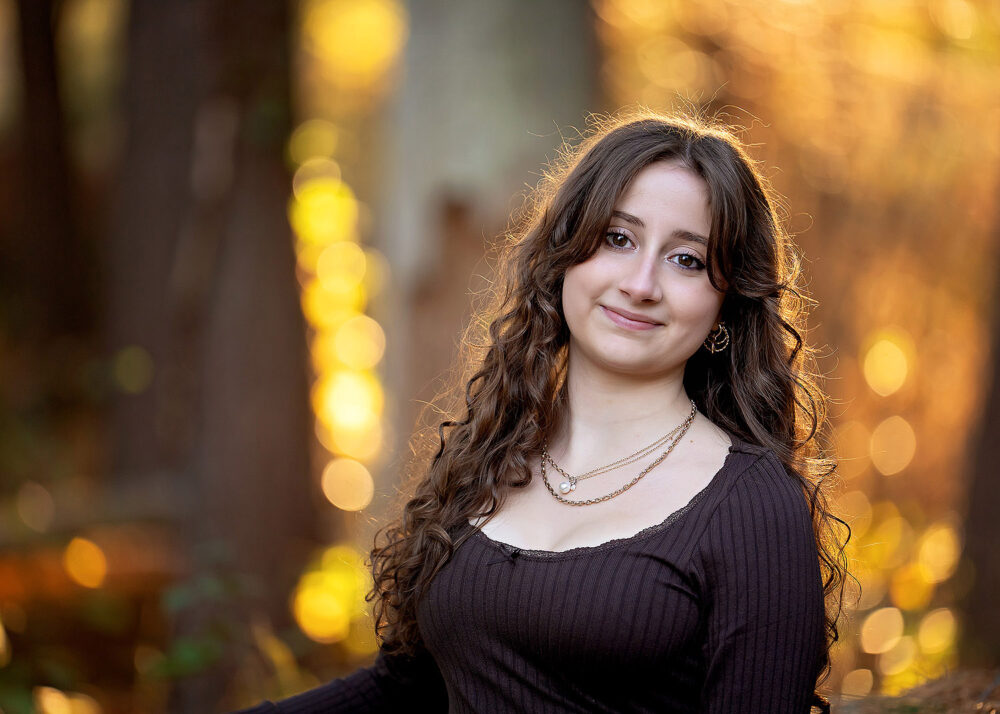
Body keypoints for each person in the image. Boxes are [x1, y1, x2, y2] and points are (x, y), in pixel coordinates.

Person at [236, 110, 850, 713]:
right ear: (565, 255)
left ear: (726, 305)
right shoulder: (490, 455)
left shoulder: (752, 505)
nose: (641, 284)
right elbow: (409, 690)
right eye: (618, 238)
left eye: (686, 259)